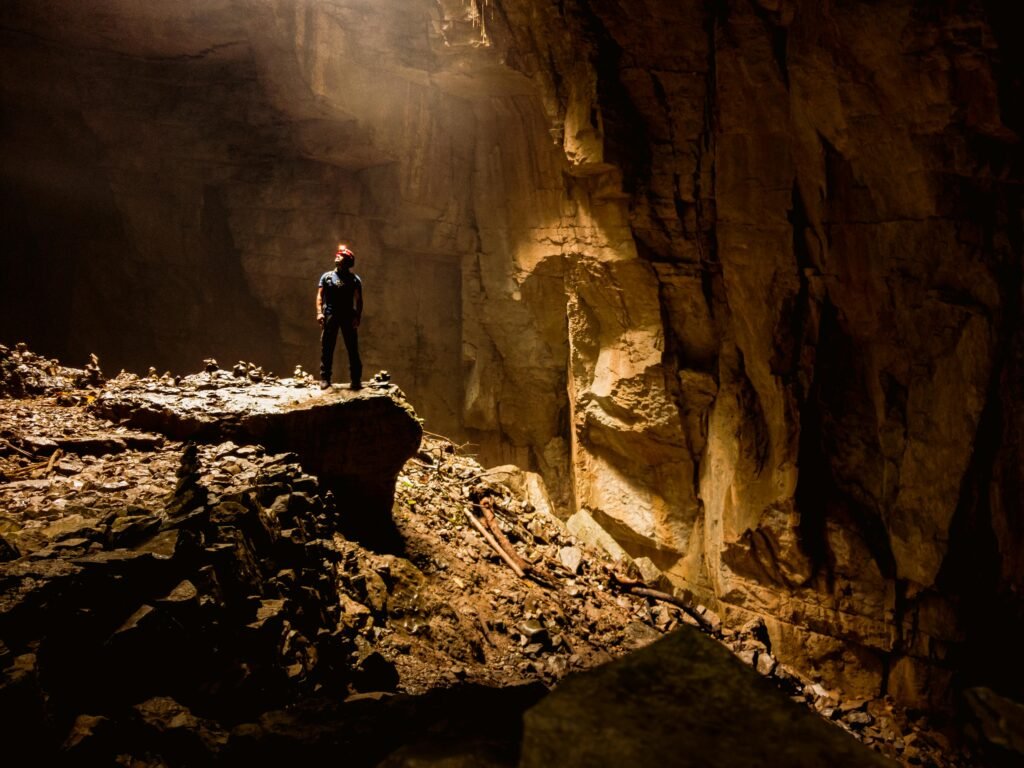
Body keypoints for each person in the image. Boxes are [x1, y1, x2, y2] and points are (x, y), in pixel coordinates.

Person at [316, 244, 363, 390]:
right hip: (331, 314)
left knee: (352, 347)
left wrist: (357, 317)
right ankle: (325, 378)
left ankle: (356, 379)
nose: (337, 256)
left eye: (341, 255)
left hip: (348, 315)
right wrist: (319, 312)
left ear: (347, 260)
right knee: (327, 347)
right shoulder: (327, 277)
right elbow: (320, 296)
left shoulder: (354, 280)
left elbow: (359, 300)